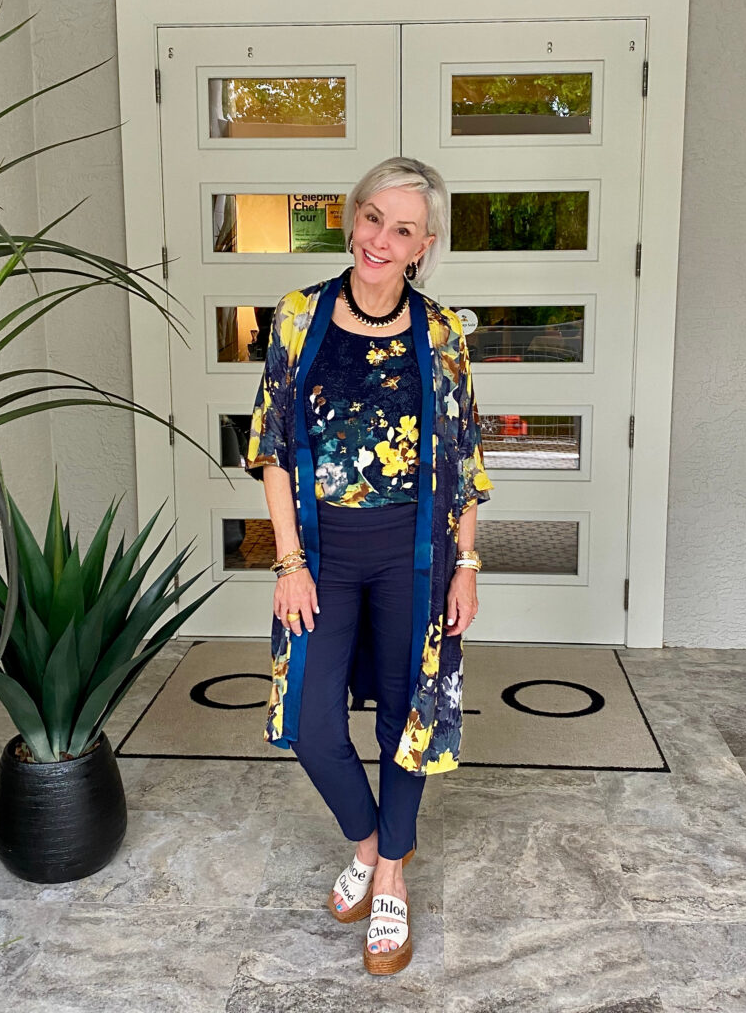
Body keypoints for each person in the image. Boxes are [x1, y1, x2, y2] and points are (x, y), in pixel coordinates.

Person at [245, 156, 493, 975]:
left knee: (403, 719)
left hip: (412, 555)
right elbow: (274, 449)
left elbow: (464, 459)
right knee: (314, 727)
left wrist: (467, 562)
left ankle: (389, 877)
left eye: (403, 229)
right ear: (353, 218)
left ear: (424, 247)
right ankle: (373, 840)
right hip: (320, 552)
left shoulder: (442, 332)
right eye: (370, 218)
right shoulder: (297, 317)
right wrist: (287, 561)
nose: (379, 240)